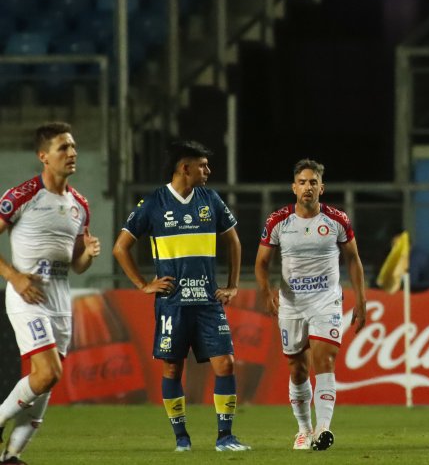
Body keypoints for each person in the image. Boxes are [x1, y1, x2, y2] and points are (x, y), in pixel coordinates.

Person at [112, 140, 250, 452]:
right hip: (171, 304)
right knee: (173, 369)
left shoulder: (210, 199)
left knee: (226, 364)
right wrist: (143, 284)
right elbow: (120, 247)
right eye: (202, 165)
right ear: (184, 167)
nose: (208, 170)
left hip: (207, 301)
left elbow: (234, 242)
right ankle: (182, 439)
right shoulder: (154, 203)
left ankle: (225, 437)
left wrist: (232, 285)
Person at [0, 123, 100, 464]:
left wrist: (87, 254)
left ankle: (11, 457)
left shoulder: (80, 205)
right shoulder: (22, 196)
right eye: (63, 148)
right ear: (43, 156)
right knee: (47, 374)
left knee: (44, 386)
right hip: (28, 296)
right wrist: (13, 276)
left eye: (73, 147)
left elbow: (76, 265)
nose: (72, 153)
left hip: (60, 300)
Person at [255, 158, 366, 451]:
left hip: (326, 301)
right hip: (291, 304)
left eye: (313, 182)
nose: (307, 187)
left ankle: (322, 429)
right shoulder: (278, 221)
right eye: (302, 182)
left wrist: (361, 298)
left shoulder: (337, 220)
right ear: (294, 187)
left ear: (321, 187)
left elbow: (353, 259)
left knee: (325, 360)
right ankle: (303, 430)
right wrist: (266, 292)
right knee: (297, 369)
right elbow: (262, 263)